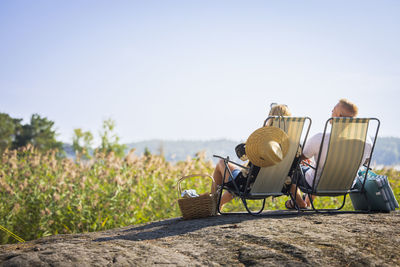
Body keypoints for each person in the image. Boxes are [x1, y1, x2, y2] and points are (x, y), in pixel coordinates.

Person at [285, 98, 372, 209]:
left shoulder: (320, 138)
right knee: (321, 171)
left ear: (339, 116)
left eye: (333, 110)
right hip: (347, 186)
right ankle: (307, 202)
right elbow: (365, 162)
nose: (331, 111)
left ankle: (300, 203)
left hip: (317, 185)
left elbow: (298, 159)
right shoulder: (367, 142)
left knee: (291, 169)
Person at [211, 103, 292, 209]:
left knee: (221, 163)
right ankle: (217, 205)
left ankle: (211, 202)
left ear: (271, 118)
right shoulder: (292, 144)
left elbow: (242, 155)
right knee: (238, 177)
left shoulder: (263, 140)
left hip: (249, 186)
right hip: (276, 185)